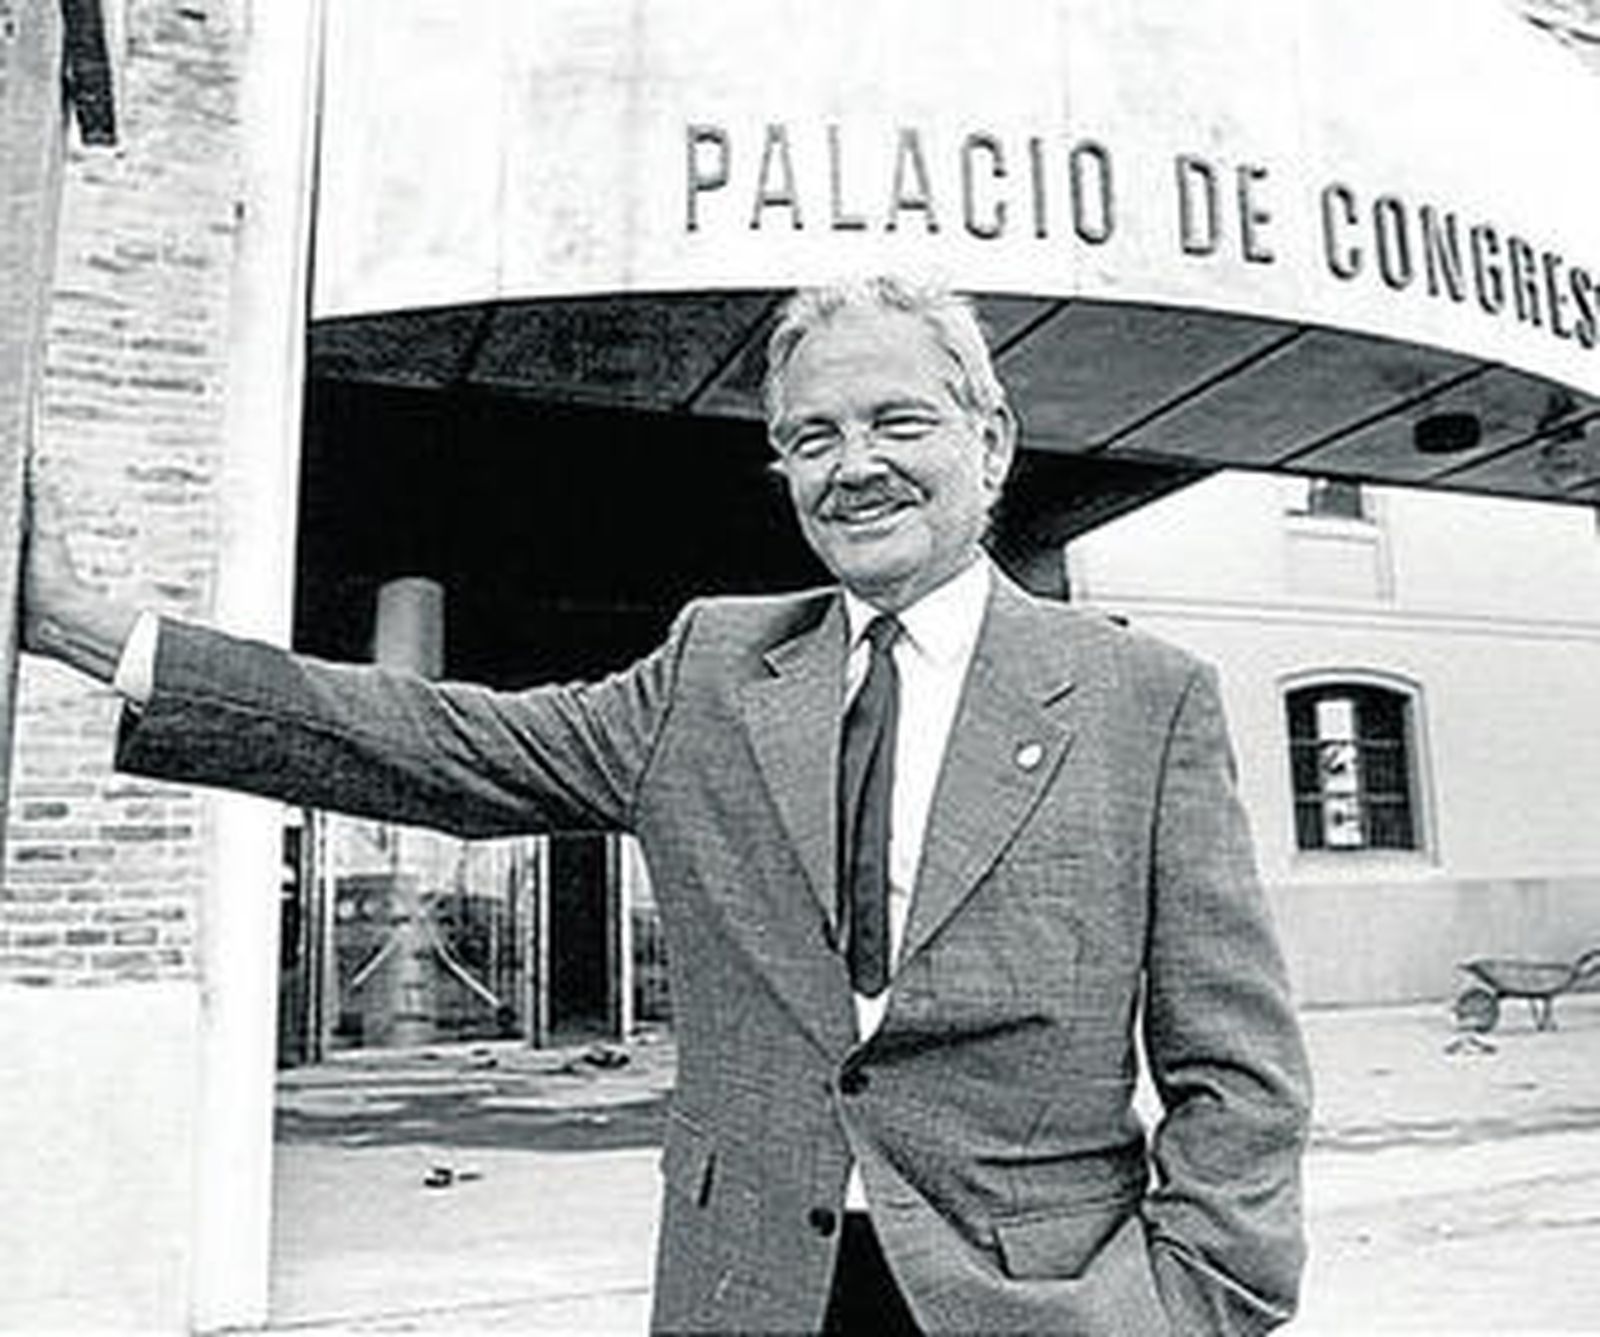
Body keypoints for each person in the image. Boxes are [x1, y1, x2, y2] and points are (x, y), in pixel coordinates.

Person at [23, 276, 1311, 1335]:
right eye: (812, 438)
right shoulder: (713, 669)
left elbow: (1240, 1076)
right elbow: (443, 741)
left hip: (1044, 1304)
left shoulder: (1147, 702)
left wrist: (1184, 1306)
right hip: (748, 1289)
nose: (852, 468)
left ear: (992, 442)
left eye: (896, 422)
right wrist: (95, 635)